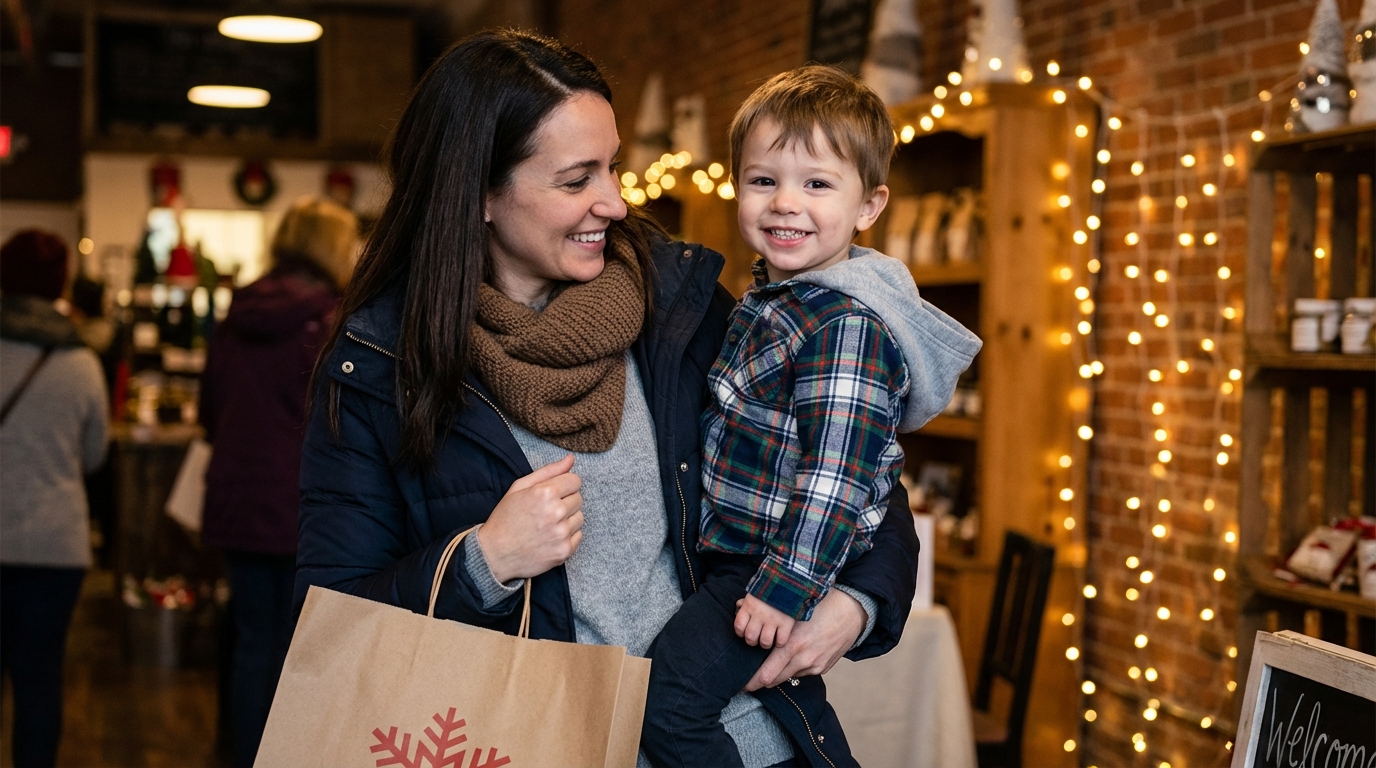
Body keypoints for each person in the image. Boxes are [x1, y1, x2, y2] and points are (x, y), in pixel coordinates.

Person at [295, 30, 919, 768]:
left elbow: (856, 469)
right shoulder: (380, 368)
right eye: (575, 180)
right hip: (538, 748)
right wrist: (484, 560)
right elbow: (330, 626)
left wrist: (856, 605)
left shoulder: (680, 305)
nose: (616, 204)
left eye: (613, 167)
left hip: (746, 741)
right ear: (480, 194)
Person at [641, 66, 982, 766]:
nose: (785, 203)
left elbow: (836, 477)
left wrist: (784, 589)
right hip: (742, 556)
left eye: (818, 184)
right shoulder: (774, 303)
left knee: (665, 704)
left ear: (869, 205)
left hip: (768, 565)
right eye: (764, 180)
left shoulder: (842, 324)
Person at [198, 197, 358, 768]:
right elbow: (343, 426)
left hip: (237, 501)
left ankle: (244, 754)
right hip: (305, 508)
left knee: (251, 642)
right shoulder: (333, 323)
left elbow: (209, 413)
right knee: (302, 650)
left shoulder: (236, 316)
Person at [0, 230, 109, 768]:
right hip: (55, 544)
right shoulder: (81, 362)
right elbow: (94, 456)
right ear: (60, 282)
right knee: (40, 680)